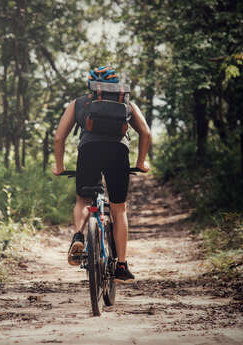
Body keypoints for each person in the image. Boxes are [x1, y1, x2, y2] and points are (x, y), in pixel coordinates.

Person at [52, 65, 151, 283]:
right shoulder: (126, 103)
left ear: (90, 85)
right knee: (119, 208)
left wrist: (59, 166)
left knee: (83, 200)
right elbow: (145, 132)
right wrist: (141, 162)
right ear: (116, 84)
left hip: (89, 152)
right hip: (118, 153)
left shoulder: (78, 103)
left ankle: (78, 235)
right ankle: (122, 265)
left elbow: (59, 137)